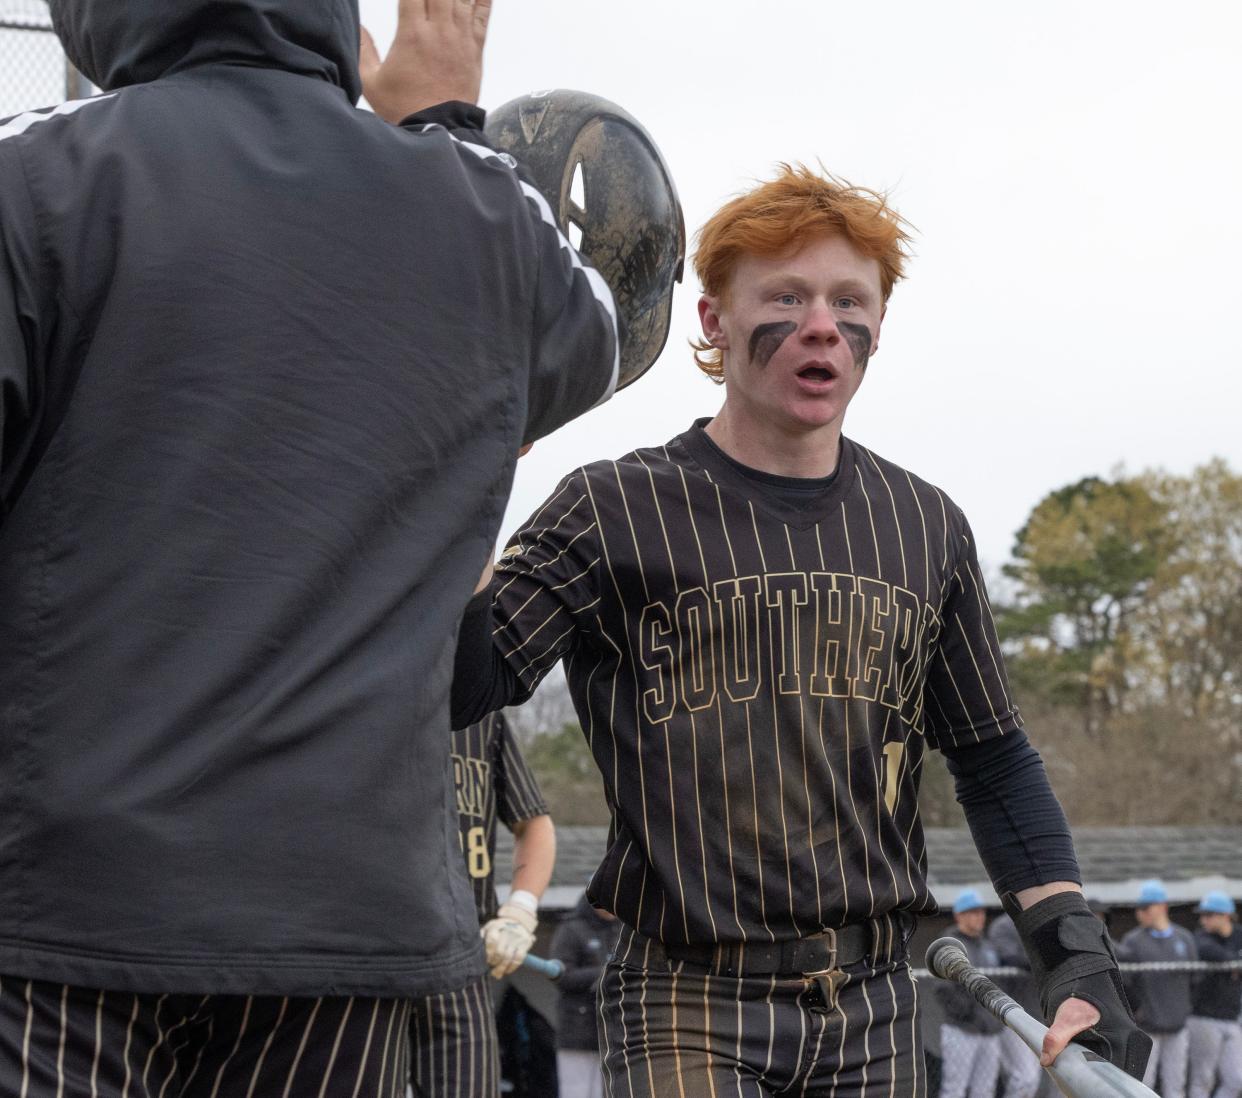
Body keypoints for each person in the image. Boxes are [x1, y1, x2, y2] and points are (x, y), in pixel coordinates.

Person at [0, 0, 621, 1092]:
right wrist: (439, 135)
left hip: (63, 906)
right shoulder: (481, 216)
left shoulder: (38, 172)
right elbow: (594, 339)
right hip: (346, 916)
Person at [452, 165, 1150, 1095]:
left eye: (848, 300)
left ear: (876, 331)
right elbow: (466, 684)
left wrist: (1077, 954)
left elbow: (993, 759)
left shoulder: (925, 525)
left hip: (875, 1005)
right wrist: (461, 472)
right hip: (686, 1000)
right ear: (713, 321)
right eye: (786, 295)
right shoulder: (611, 506)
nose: (822, 322)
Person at [410, 712, 557, 1097]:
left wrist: (520, 911)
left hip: (463, 953)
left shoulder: (481, 710)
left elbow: (534, 823)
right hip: (362, 952)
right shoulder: (343, 675)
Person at [1118, 880, 1198, 1098]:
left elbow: (1194, 979)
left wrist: (1183, 1009)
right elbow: (1125, 983)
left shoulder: (1184, 938)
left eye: (1146, 908)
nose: (1140, 913)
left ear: (1162, 907)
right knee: (1143, 1085)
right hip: (1147, 1026)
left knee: (1176, 1084)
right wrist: (1139, 1010)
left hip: (1177, 1025)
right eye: (1139, 908)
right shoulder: (1133, 940)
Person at [550, 892, 622, 1098]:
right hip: (577, 1028)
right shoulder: (571, 928)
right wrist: (605, 974)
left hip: (615, 1031)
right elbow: (561, 975)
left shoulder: (624, 929)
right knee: (577, 1091)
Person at [936, 891, 1004, 1098]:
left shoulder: (987, 945)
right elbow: (942, 988)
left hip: (989, 1030)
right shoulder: (950, 943)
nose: (979, 917)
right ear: (959, 916)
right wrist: (968, 1014)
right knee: (954, 1089)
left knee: (984, 1090)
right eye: (973, 912)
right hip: (962, 1029)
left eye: (981, 912)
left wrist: (991, 1018)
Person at [1187, 892, 1242, 1098]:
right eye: (1203, 915)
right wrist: (1234, 963)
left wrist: (1233, 964)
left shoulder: (1238, 934)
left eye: (1209, 915)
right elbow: (1208, 950)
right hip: (1203, 1017)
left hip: (1232, 1017)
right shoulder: (1201, 937)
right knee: (1202, 1079)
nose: (1204, 920)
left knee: (1236, 1079)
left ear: (1226, 915)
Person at [986, 911, 1045, 1098]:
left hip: (1038, 1014)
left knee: (1032, 1079)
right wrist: (1043, 961)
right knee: (1024, 1079)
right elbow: (1011, 957)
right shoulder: (1003, 925)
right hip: (1013, 1014)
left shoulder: (1039, 919)